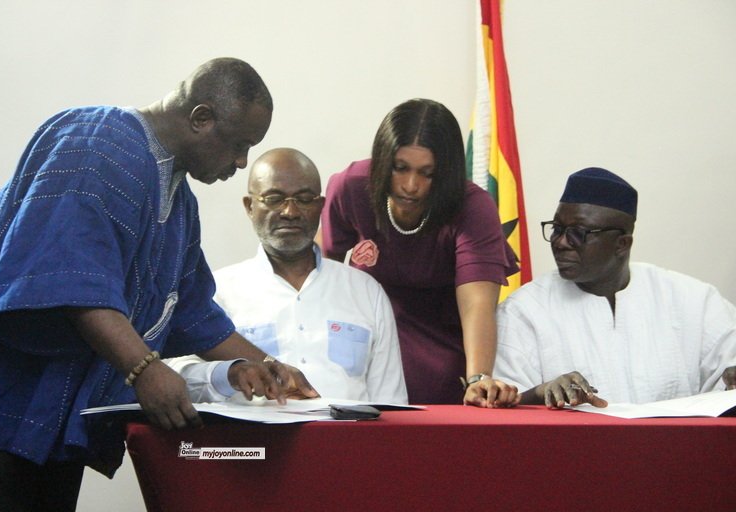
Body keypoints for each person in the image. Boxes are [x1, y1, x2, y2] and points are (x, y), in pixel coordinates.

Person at [0, 58, 317, 512]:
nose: (241, 162)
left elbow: (192, 311)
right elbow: (69, 277)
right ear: (201, 118)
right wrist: (144, 368)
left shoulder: (180, 202)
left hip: (53, 410)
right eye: (239, 145)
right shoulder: (95, 142)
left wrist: (267, 368)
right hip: (0, 388)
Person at [167, 148, 408, 404]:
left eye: (304, 199)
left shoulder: (365, 292)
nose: (290, 212)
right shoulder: (216, 292)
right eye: (274, 198)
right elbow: (174, 373)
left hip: (346, 443)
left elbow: (390, 403)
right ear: (250, 206)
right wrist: (231, 371)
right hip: (254, 443)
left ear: (321, 207)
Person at [320, 98, 520, 406]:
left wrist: (478, 378)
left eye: (427, 173)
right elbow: (321, 275)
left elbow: (477, 305)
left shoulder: (472, 207)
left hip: (441, 344)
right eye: (400, 168)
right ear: (384, 160)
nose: (411, 185)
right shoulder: (352, 186)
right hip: (366, 336)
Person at [494, 167, 736, 407]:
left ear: (622, 244)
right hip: (574, 446)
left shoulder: (693, 300)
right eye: (557, 229)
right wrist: (540, 393)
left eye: (578, 233)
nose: (560, 242)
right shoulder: (523, 310)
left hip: (677, 445)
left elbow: (728, 371)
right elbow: (504, 403)